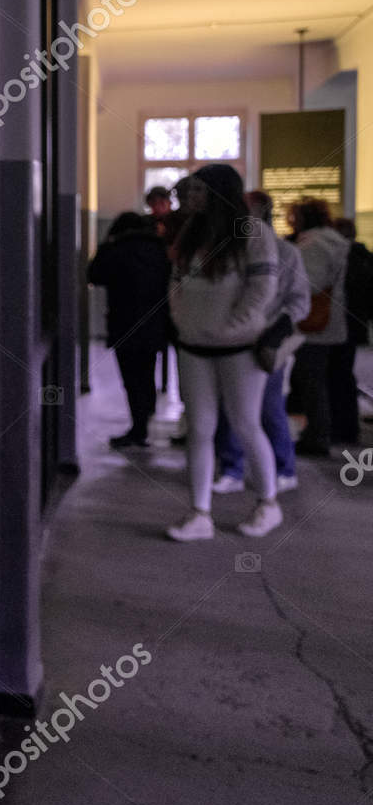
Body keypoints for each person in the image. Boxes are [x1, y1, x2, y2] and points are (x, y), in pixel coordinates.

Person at [166, 164, 282, 541]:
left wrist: (233, 327)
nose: (191, 197)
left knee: (247, 424)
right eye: (191, 190)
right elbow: (176, 285)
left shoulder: (252, 232)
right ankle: (199, 513)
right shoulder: (192, 232)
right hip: (194, 345)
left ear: (219, 193)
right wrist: (184, 323)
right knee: (199, 428)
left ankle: (268, 504)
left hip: (240, 349)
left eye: (200, 190)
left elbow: (262, 289)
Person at [211, 191, 311, 494]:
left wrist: (275, 331)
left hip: (266, 342)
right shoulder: (229, 250)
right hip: (232, 339)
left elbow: (299, 302)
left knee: (269, 408)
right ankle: (232, 468)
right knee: (229, 408)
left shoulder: (286, 253)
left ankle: (284, 468)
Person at [87, 211, 170, 447]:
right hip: (155, 324)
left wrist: (105, 245)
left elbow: (94, 275)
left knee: (131, 378)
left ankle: (139, 426)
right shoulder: (160, 250)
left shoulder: (116, 250)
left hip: (124, 323)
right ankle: (146, 416)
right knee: (147, 372)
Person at [288, 198, 351, 456]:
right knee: (322, 380)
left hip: (312, 325)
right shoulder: (334, 240)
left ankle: (317, 435)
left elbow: (310, 283)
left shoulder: (313, 245)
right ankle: (324, 431)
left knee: (312, 382)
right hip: (329, 322)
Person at [330, 217, 369, 443]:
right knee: (343, 373)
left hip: (342, 323)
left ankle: (343, 427)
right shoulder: (363, 257)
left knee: (339, 374)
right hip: (355, 324)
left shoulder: (348, 257)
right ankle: (347, 426)